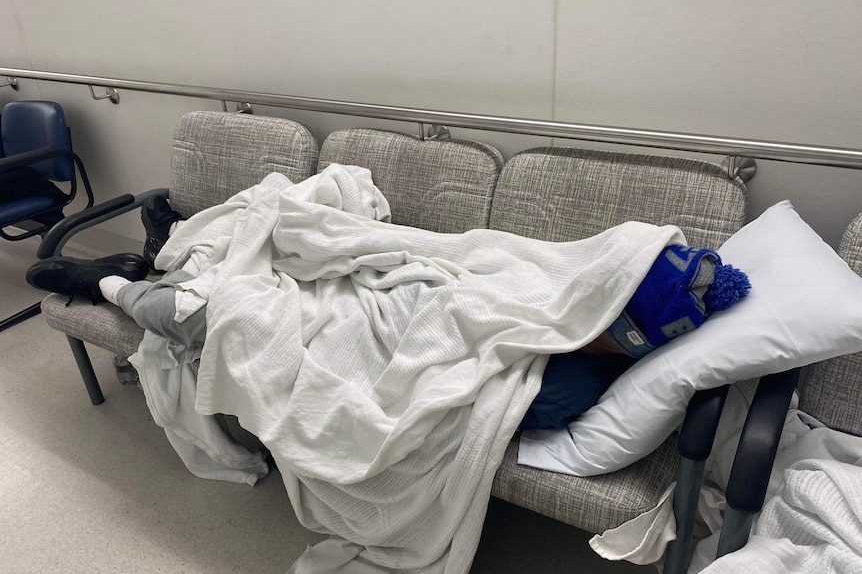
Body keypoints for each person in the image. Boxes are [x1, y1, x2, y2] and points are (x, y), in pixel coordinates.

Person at [26, 196, 752, 430]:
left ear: (626, 342)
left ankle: (106, 283)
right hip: (403, 280)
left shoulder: (569, 386)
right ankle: (163, 256)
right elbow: (470, 258)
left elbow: (441, 387)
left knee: (218, 319)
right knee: (278, 238)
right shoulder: (554, 283)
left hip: (353, 330)